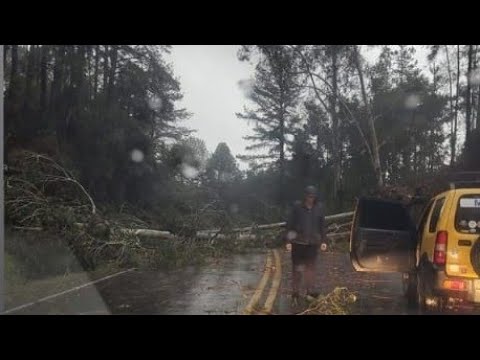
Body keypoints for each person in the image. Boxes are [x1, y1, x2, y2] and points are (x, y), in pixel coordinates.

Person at [285, 186, 327, 304]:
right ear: (305, 196)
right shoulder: (297, 207)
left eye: (313, 197)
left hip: (312, 245)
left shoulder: (319, 208)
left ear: (315, 197)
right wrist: (288, 242)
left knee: (310, 269)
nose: (311, 199)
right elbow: (289, 224)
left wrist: (324, 241)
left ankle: (309, 292)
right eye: (309, 196)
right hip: (298, 244)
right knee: (297, 270)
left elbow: (322, 226)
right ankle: (295, 294)